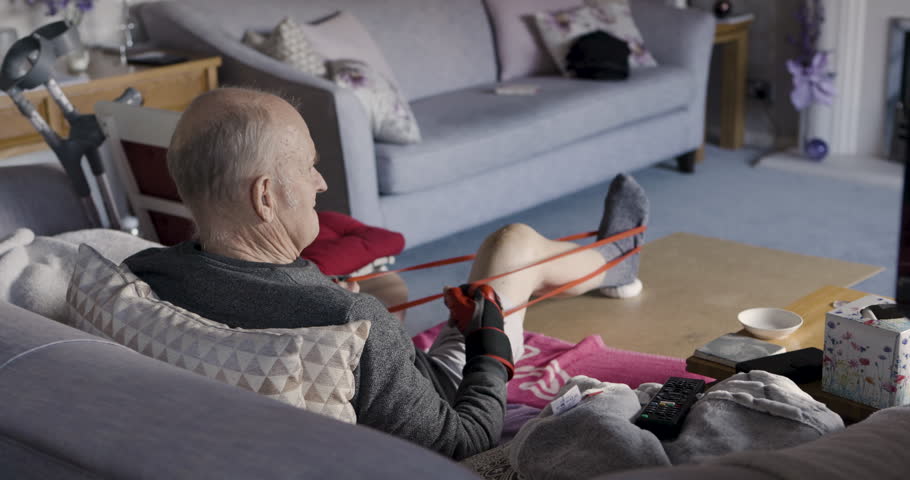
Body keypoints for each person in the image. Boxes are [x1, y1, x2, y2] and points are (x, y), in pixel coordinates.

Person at [123, 87, 648, 460]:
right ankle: (618, 258)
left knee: (391, 286)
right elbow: (465, 443)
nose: (321, 182)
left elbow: (270, 302)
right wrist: (490, 354)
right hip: (442, 392)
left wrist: (325, 294)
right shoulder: (350, 320)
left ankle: (609, 262)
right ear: (264, 197)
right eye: (308, 167)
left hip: (373, 366)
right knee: (511, 247)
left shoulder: (142, 274)